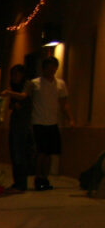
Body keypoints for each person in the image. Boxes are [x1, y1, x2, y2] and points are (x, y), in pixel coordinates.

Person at [29, 56, 75, 191]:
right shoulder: (35, 83)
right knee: (41, 152)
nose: (51, 70)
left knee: (49, 153)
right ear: (43, 68)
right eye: (48, 68)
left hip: (52, 122)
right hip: (38, 121)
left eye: (53, 68)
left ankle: (45, 178)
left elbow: (64, 103)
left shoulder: (60, 84)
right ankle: (38, 178)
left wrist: (70, 119)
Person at [0, 64, 35, 193]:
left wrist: (9, 93)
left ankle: (21, 184)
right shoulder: (15, 87)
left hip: (24, 126)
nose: (14, 77)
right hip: (15, 124)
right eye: (13, 75)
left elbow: (23, 96)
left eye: (17, 74)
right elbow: (11, 106)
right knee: (15, 155)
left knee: (21, 155)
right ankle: (17, 183)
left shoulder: (28, 84)